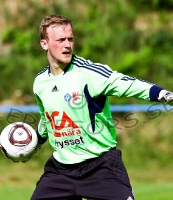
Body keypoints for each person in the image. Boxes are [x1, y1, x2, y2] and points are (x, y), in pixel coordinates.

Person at [31, 14, 173, 200]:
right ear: (44, 44)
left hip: (101, 167)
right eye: (61, 40)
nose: (67, 45)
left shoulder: (88, 73)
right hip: (61, 171)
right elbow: (48, 119)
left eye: (70, 39)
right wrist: (33, 144)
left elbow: (126, 83)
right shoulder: (40, 83)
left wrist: (161, 94)